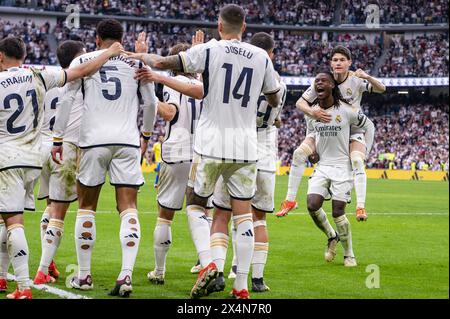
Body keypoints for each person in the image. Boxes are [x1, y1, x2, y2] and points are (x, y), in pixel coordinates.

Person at [126, 4, 281, 299]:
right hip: (247, 147)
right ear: (244, 27)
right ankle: (242, 286)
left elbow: (162, 62)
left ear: (219, 26)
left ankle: (209, 262)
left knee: (197, 204)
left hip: (211, 144)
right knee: (243, 215)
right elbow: (273, 98)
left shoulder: (209, 50)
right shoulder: (261, 57)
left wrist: (140, 55)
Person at [0, 36, 122, 299]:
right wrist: (107, 53)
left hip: (25, 151)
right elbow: (82, 71)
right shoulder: (45, 75)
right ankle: (35, 270)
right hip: (49, 151)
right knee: (49, 212)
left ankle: (18, 279)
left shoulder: (18, 79)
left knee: (13, 216)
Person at [51, 19, 157, 297]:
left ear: (97, 39)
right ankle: (125, 276)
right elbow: (151, 103)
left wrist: (58, 138)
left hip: (93, 141)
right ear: (121, 38)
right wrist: (145, 135)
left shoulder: (84, 60)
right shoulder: (136, 62)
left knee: (86, 206)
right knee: (129, 207)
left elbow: (65, 100)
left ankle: (84, 276)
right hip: (126, 141)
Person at [207, 32, 286, 294]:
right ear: (271, 54)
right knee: (258, 218)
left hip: (238, 150)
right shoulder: (280, 84)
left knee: (222, 213)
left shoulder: (247, 76)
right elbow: (275, 116)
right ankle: (257, 278)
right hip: (265, 157)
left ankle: (218, 272)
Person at [277, 45, 385, 222]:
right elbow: (300, 103)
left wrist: (366, 76)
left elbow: (382, 88)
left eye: (342, 60)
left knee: (357, 160)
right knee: (298, 154)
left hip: (352, 129)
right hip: (325, 128)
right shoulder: (324, 81)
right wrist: (313, 112)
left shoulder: (356, 80)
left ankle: (360, 207)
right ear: (331, 63)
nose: (338, 63)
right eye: (335, 60)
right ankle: (290, 200)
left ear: (349, 62)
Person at [135, 42, 211, 285]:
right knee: (203, 212)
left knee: (165, 215)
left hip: (176, 151)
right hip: (202, 153)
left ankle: (159, 271)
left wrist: (150, 98)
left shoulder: (170, 85)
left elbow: (170, 113)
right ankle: (206, 263)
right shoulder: (205, 84)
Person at [304, 71, 375, 267]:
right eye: (316, 81)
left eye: (323, 81)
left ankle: (349, 254)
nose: (319, 84)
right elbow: (311, 135)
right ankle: (331, 235)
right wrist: (313, 152)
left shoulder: (347, 110)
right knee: (312, 204)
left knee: (338, 212)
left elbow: (368, 125)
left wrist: (364, 149)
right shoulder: (312, 113)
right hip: (323, 166)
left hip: (343, 167)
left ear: (332, 86)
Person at [33, 40, 86, 285]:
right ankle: (42, 270)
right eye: (84, 55)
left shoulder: (48, 81)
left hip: (41, 148)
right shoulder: (82, 83)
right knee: (58, 213)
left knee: (49, 206)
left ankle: (49, 261)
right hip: (63, 147)